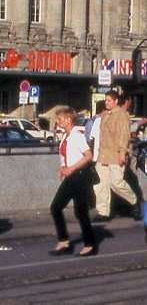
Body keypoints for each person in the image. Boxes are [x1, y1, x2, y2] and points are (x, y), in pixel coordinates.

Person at [49, 107, 97, 257]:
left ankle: (84, 244)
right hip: (72, 176)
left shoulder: (77, 136)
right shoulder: (66, 136)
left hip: (80, 176)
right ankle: (70, 242)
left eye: (60, 119)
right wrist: (62, 167)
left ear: (68, 120)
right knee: (75, 210)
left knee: (62, 208)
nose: (57, 122)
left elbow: (88, 156)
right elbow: (67, 155)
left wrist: (71, 168)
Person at [93, 90, 140, 222]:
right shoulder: (105, 116)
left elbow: (124, 136)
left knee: (117, 183)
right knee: (101, 184)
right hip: (103, 155)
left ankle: (134, 201)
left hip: (115, 154)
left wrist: (122, 153)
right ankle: (102, 212)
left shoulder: (122, 115)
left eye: (109, 100)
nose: (106, 103)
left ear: (116, 101)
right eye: (105, 100)